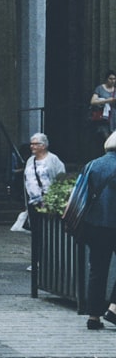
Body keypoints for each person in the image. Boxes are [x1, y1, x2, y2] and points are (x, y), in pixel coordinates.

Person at [75, 131, 116, 330]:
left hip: (96, 226)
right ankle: (114, 308)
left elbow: (78, 197)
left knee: (97, 270)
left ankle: (93, 316)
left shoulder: (92, 165)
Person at [24, 132, 65, 273]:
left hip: (48, 203)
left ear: (43, 145)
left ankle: (50, 261)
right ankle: (36, 261)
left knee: (49, 233)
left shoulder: (53, 160)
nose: (32, 146)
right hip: (33, 202)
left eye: (35, 144)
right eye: (31, 144)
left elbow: (61, 179)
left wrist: (55, 199)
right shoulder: (30, 161)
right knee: (35, 233)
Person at [90, 70, 116, 139]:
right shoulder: (100, 88)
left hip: (113, 117)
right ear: (106, 79)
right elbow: (92, 102)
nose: (112, 81)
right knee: (105, 137)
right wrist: (107, 101)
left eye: (114, 79)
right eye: (110, 79)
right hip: (103, 118)